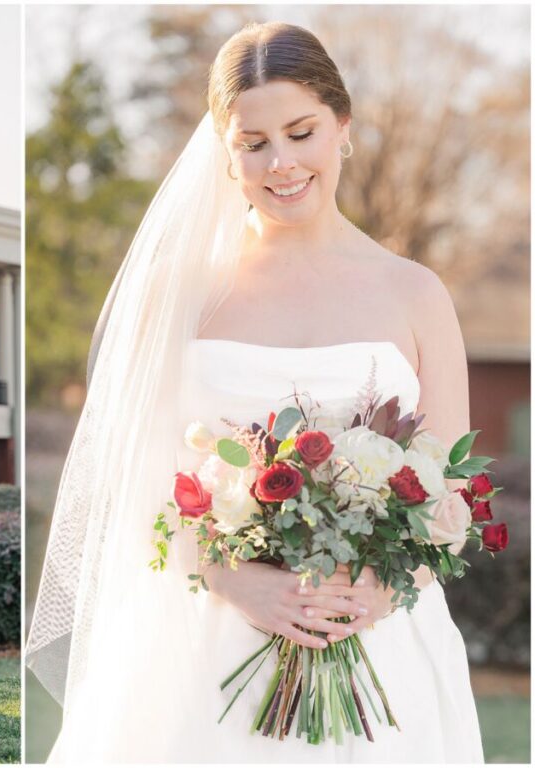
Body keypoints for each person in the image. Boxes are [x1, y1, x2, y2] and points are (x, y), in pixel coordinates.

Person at [26, 22, 482, 762]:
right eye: (253, 143)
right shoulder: (178, 298)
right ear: (225, 153)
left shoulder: (416, 294)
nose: (282, 163)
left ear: (342, 127)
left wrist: (384, 583)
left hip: (382, 644)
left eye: (301, 132)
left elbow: (452, 497)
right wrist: (230, 578)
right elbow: (135, 487)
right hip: (202, 649)